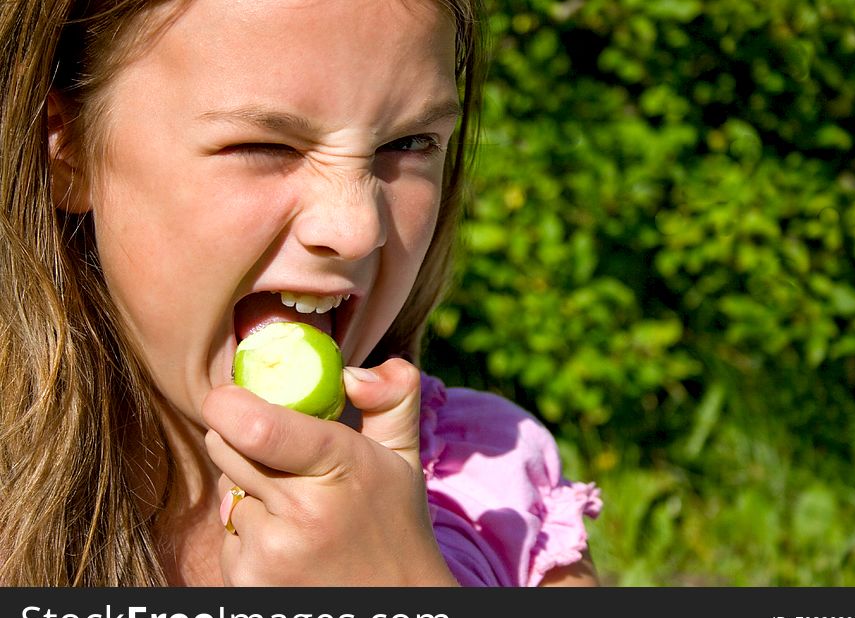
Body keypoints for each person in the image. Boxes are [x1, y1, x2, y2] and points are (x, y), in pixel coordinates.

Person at [0, 0, 602, 586]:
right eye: (265, 146)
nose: (357, 229)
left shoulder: (497, 487)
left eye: (409, 144)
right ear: (67, 149)